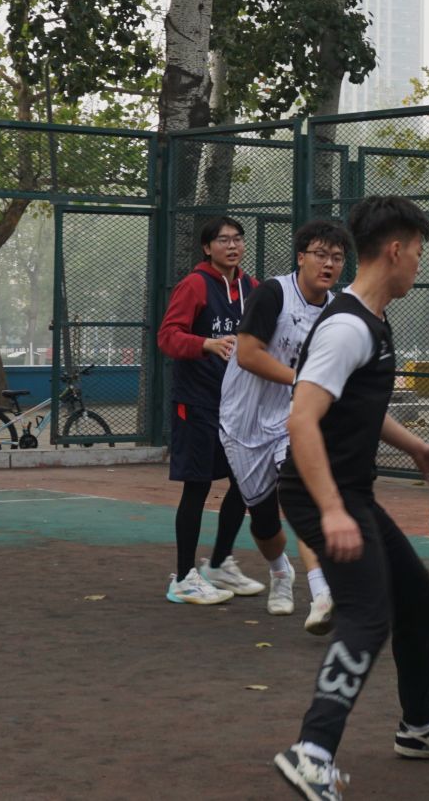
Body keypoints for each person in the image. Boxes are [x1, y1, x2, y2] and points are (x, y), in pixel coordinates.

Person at [272, 195, 429, 801]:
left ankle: (420, 727)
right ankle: (312, 753)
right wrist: (332, 510)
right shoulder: (347, 328)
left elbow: (356, 405)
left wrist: (415, 447)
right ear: (395, 250)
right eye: (417, 252)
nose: (419, 263)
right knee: (367, 615)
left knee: (415, 597)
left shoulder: (370, 320)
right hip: (323, 493)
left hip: (349, 492)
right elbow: (302, 420)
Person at [220, 218, 345, 631]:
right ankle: (279, 571)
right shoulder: (273, 293)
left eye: (337, 257)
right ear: (301, 257)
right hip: (243, 420)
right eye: (321, 255)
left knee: (301, 500)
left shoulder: (338, 311)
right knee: (264, 519)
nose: (329, 264)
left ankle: (322, 594)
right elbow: (248, 354)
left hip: (293, 418)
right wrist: (301, 379)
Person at [156, 216, 261, 605]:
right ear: (207, 247)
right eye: (223, 240)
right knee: (197, 487)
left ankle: (218, 564)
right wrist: (206, 344)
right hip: (197, 402)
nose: (232, 246)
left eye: (237, 239)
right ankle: (184, 577)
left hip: (238, 405)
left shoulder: (252, 288)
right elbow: (168, 337)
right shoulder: (195, 285)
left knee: (245, 484)